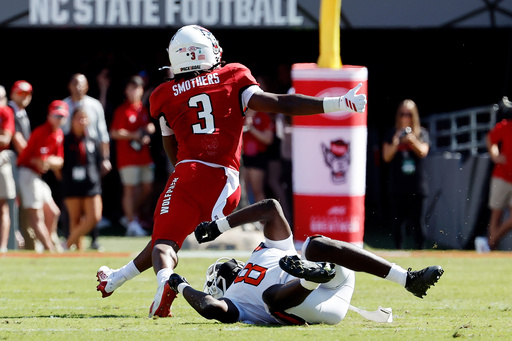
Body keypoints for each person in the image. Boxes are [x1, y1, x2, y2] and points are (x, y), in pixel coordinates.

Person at [96, 24, 366, 318]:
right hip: (225, 180)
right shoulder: (232, 75)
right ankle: (116, 278)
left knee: (165, 241)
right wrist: (337, 102)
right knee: (166, 236)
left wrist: (186, 177)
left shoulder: (162, 94)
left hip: (187, 172)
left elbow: (168, 144)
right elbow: (278, 103)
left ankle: (165, 281)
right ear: (207, 52)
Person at [164, 199, 444, 325]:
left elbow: (271, 208)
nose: (226, 265)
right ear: (219, 284)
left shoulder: (262, 251)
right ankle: (309, 278)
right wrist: (180, 285)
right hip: (310, 305)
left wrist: (219, 225)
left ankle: (408, 280)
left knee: (314, 245)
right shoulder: (235, 301)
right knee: (269, 299)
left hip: (333, 282)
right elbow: (212, 307)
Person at [63, 73, 111, 250]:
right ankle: (75, 245)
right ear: (69, 85)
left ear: (87, 86)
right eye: (74, 83)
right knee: (74, 210)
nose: (78, 87)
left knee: (93, 206)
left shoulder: (94, 105)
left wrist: (105, 158)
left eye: (81, 83)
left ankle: (90, 239)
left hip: (91, 155)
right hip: (71, 157)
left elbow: (102, 133)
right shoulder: (65, 105)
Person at [16, 100, 68, 252]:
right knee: (36, 216)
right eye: (56, 116)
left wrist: (49, 162)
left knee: (53, 212)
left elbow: (58, 162)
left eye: (62, 116)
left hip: (37, 176)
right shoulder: (41, 132)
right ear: (49, 116)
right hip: (26, 173)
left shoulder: (58, 133)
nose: (59, 119)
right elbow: (39, 162)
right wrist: (50, 162)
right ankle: (49, 249)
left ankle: (47, 242)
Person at [110, 75, 155, 236]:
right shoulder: (122, 110)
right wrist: (134, 135)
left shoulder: (143, 109)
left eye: (137, 88)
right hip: (127, 158)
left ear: (142, 90)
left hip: (144, 156)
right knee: (130, 189)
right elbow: (115, 133)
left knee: (147, 188)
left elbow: (147, 126)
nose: (134, 91)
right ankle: (131, 222)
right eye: (131, 88)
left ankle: (130, 215)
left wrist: (149, 129)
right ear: (126, 90)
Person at [382, 99, 430, 249]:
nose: (405, 118)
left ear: (413, 116)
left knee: (418, 222)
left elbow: (423, 152)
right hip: (397, 185)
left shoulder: (421, 133)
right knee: (397, 222)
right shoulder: (391, 134)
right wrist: (396, 142)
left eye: (408, 114)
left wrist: (411, 140)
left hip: (417, 185)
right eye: (402, 114)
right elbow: (386, 157)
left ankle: (420, 250)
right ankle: (398, 251)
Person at [61, 107, 103, 250]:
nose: (82, 121)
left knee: (94, 217)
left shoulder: (92, 139)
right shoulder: (65, 140)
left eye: (84, 118)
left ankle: (66, 244)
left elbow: (98, 162)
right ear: (72, 121)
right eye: (78, 118)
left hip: (91, 184)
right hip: (71, 185)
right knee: (75, 219)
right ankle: (79, 252)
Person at [7, 80, 35, 250]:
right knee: (12, 201)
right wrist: (33, 159)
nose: (24, 97)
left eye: (27, 94)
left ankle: (20, 238)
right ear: (12, 94)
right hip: (11, 164)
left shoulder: (21, 113)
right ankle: (14, 237)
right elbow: (17, 140)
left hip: (20, 165)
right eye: (20, 93)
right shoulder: (10, 111)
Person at [241, 76, 274, 204]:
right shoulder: (240, 113)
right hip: (242, 159)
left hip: (257, 158)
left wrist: (252, 129)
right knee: (241, 192)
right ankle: (245, 223)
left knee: (257, 191)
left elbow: (268, 140)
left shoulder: (264, 116)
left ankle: (262, 223)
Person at [482, 116, 512, 251]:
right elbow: (490, 138)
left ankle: (490, 242)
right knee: (496, 214)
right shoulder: (506, 125)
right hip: (501, 176)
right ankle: (492, 250)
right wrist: (495, 156)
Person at [0, 85, 16, 252]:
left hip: (1, 161)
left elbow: (5, 139)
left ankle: (2, 247)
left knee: (2, 205)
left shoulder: (5, 112)